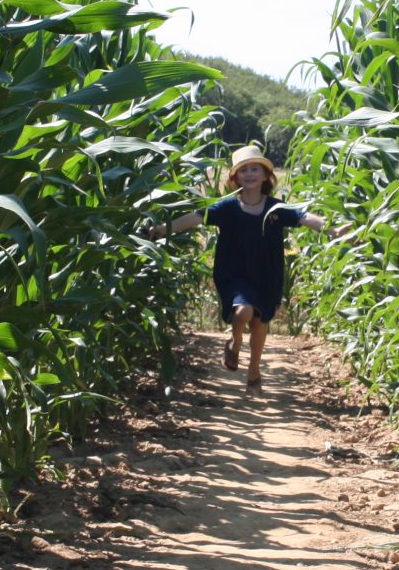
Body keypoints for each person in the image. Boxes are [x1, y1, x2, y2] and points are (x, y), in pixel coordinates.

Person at [142, 145, 342, 388]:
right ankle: (235, 341)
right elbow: (196, 217)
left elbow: (303, 216)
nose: (249, 174)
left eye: (254, 169)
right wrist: (162, 231)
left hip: (267, 274)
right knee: (244, 309)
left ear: (266, 175)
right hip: (233, 271)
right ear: (235, 177)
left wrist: (333, 230)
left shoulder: (275, 208)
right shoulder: (226, 208)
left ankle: (254, 368)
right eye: (243, 170)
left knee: (260, 323)